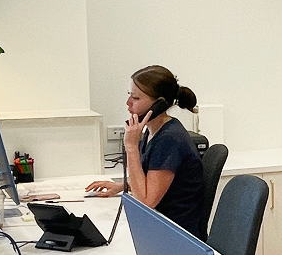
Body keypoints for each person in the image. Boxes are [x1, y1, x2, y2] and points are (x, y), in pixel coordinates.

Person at [85, 65, 204, 237]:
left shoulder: (169, 139)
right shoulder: (152, 131)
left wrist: (131, 147)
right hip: (160, 228)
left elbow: (146, 201)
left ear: (159, 103)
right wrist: (122, 186)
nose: (128, 104)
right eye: (129, 95)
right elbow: (153, 183)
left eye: (135, 98)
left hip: (176, 237)